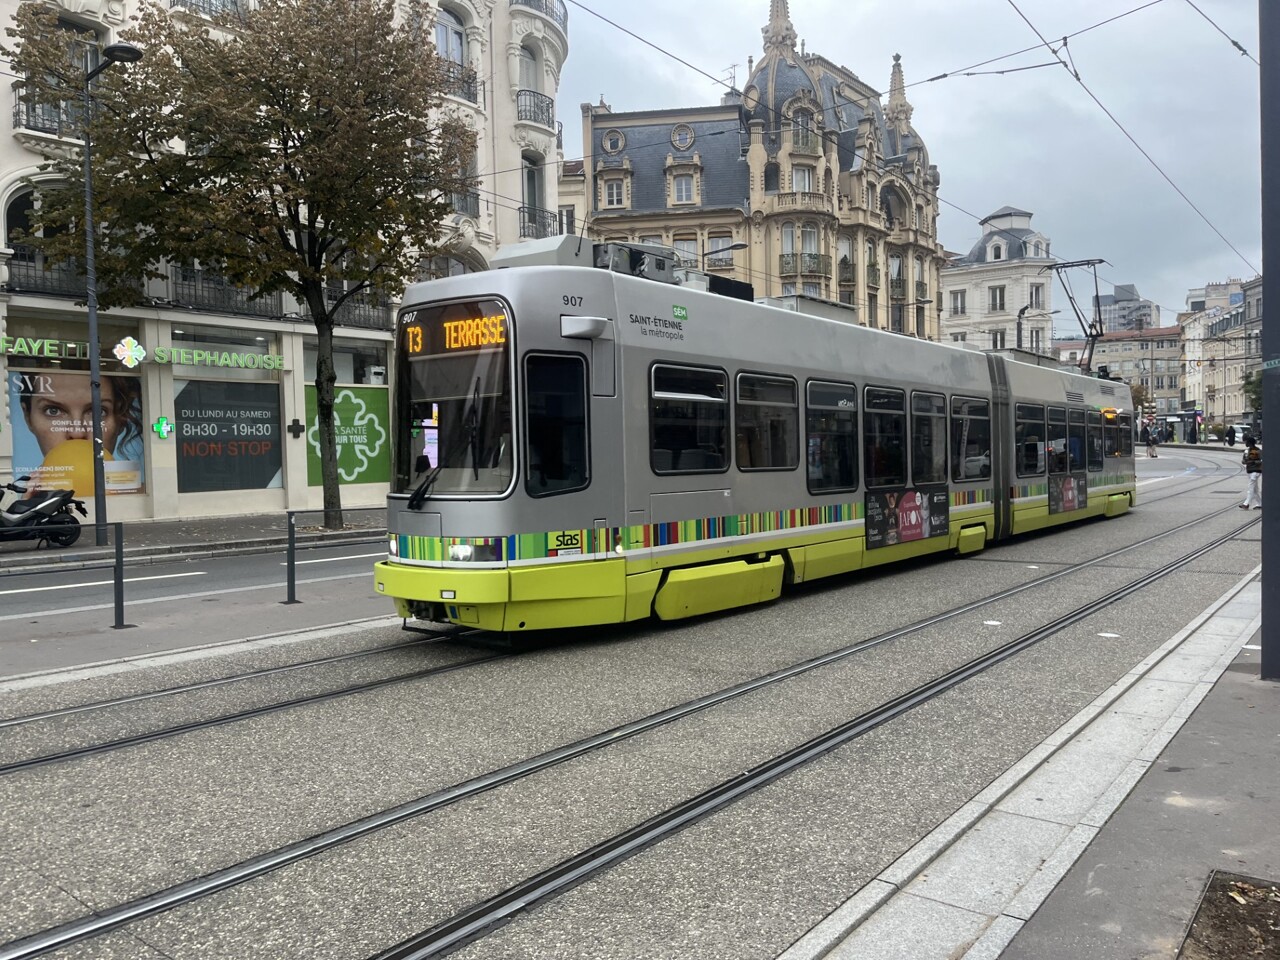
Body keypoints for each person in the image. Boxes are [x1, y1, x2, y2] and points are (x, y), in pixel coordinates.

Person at [16, 371, 143, 493]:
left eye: (98, 412)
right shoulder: (18, 500)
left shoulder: (145, 498)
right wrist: (29, 511)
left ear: (120, 420)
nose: (77, 433)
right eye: (53, 411)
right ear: (28, 417)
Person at [1240, 438, 1262, 510]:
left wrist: (1253, 462)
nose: (1245, 443)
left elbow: (1262, 460)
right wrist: (1244, 461)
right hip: (1249, 470)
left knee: (1250, 487)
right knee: (1255, 489)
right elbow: (1244, 460)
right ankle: (1259, 504)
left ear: (1250, 443)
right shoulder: (1246, 451)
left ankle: (1246, 504)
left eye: (1246, 442)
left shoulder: (1258, 451)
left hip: (1256, 471)